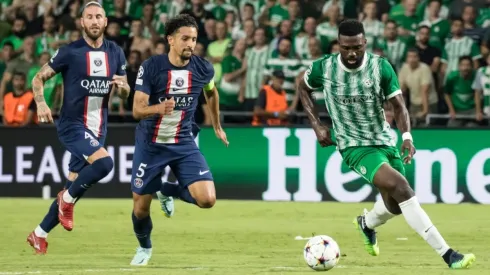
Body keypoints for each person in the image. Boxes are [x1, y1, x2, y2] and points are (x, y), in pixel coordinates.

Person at [297, 19, 476, 269]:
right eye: (346, 48)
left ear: (365, 43)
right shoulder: (323, 68)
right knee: (402, 187)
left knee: (395, 204)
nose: (351, 53)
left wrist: (406, 137)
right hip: (354, 146)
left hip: (384, 140)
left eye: (357, 48)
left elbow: (399, 106)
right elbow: (302, 86)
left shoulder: (380, 67)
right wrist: (316, 124)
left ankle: (367, 223)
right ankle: (448, 255)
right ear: (338, 44)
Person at [26, 1, 129, 254]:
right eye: (89, 17)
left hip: (98, 129)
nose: (94, 21)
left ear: (105, 22)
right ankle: (66, 201)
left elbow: (125, 91)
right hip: (73, 125)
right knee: (104, 164)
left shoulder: (116, 52)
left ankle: (39, 234)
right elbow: (38, 77)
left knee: (71, 187)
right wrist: (41, 103)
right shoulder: (69, 52)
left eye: (99, 17)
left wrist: (125, 89)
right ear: (82, 22)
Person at [130, 14, 228, 266]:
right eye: (185, 38)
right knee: (140, 208)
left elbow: (212, 92)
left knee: (207, 200)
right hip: (151, 144)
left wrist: (217, 126)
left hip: (183, 141)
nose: (190, 44)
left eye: (194, 39)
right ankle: (144, 247)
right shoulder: (152, 66)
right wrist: (157, 109)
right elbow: (137, 110)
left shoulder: (203, 68)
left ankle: (164, 189)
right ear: (170, 40)